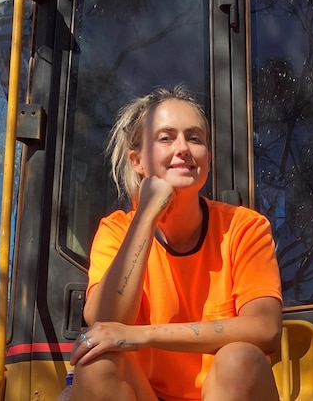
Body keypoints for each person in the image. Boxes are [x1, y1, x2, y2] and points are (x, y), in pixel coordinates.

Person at [70, 86, 283, 401]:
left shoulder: (244, 228)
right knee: (96, 364)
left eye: (195, 138)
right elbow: (103, 321)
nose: (183, 148)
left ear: (207, 161)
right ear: (138, 161)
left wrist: (138, 336)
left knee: (241, 358)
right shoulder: (116, 231)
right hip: (143, 394)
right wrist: (145, 217)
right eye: (166, 138)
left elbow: (265, 328)